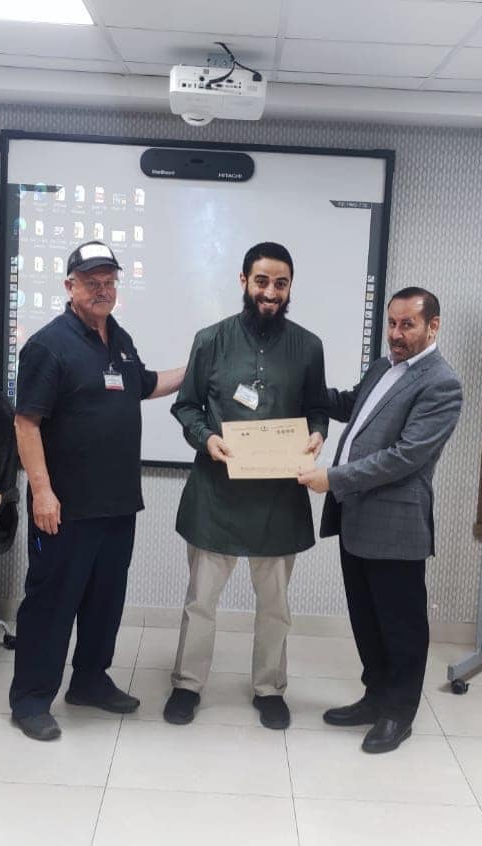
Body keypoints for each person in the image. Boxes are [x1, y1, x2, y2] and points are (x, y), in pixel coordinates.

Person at [9, 240, 184, 741]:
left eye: (109, 281)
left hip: (116, 503)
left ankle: (89, 681)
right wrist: (42, 493)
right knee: (51, 604)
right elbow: (26, 423)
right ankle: (30, 699)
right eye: (91, 282)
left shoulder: (118, 338)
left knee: (105, 601)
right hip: (64, 508)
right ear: (70, 286)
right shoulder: (49, 345)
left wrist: (197, 368)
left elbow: (143, 384)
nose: (102, 289)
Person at [165, 242, 329, 729]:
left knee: (275, 607)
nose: (270, 292)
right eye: (261, 281)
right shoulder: (210, 340)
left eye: (280, 283)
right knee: (200, 603)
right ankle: (187, 684)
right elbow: (186, 406)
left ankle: (269, 688)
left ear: (290, 287)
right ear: (243, 281)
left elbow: (317, 409)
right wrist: (206, 438)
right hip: (216, 495)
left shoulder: (309, 347)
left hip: (278, 500)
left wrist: (317, 433)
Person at [298, 287, 462, 754]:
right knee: (366, 619)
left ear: (432, 326)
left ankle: (398, 713)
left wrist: (332, 478)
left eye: (408, 324)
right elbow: (350, 404)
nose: (396, 333)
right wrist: (299, 387)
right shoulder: (382, 367)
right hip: (356, 519)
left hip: (396, 528)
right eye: (392, 323)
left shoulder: (441, 384)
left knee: (401, 626)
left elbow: (404, 456)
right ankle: (374, 698)